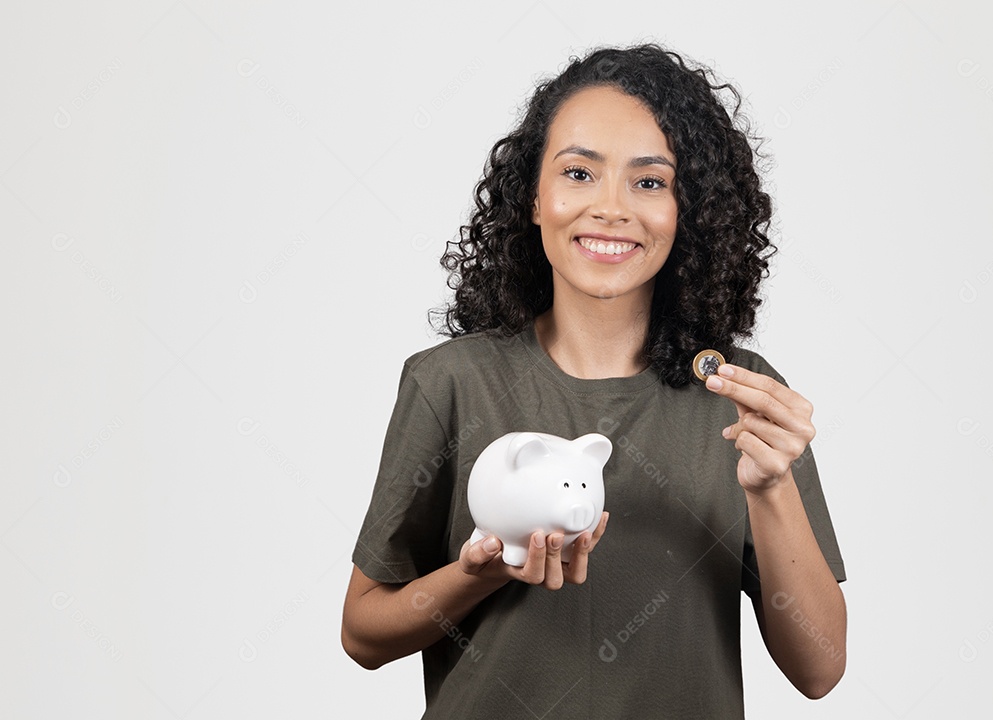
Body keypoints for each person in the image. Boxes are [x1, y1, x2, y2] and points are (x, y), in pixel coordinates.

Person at [341, 43, 847, 718]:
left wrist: (772, 487)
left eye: (648, 182)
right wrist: (477, 575)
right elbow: (363, 632)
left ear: (685, 213)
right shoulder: (451, 383)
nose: (610, 208)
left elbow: (819, 669)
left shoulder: (743, 400)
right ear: (534, 198)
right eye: (579, 173)